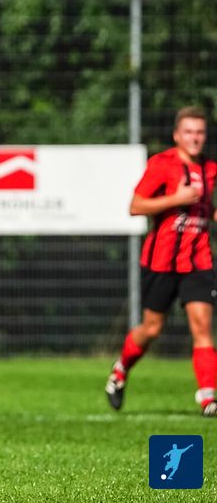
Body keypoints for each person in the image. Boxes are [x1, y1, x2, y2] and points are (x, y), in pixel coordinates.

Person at [105, 106, 217, 418]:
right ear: (177, 135)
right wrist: (175, 199)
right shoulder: (162, 164)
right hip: (161, 261)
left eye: (200, 132)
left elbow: (205, 210)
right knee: (152, 329)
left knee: (202, 327)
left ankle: (208, 398)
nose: (195, 138)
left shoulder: (210, 169)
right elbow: (136, 206)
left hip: (198, 260)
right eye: (189, 132)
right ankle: (121, 369)